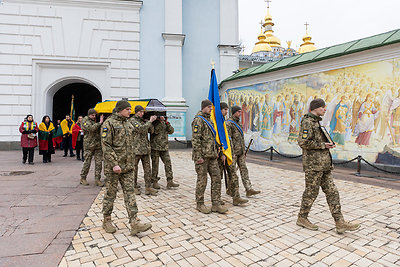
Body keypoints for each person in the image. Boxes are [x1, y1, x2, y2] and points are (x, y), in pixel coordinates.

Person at [297, 98, 360, 234]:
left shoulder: (317, 122)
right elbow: (302, 142)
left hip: (324, 165)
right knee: (311, 192)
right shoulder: (308, 122)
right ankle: (302, 218)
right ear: (316, 108)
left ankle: (340, 222)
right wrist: (322, 145)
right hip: (313, 165)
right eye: (323, 107)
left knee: (332, 192)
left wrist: (327, 144)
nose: (325, 109)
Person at [101, 100, 152, 236]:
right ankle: (106, 220)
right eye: (127, 109)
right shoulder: (109, 123)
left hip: (128, 166)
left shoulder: (128, 123)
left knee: (130, 194)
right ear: (120, 110)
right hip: (114, 167)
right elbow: (106, 145)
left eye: (130, 109)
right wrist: (114, 164)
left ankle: (134, 222)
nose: (130, 111)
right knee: (111, 194)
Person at [192, 99, 228, 214]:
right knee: (202, 180)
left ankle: (216, 203)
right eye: (209, 107)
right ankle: (200, 203)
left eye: (211, 107)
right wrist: (198, 157)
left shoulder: (210, 121)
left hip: (212, 156)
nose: (211, 109)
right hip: (202, 157)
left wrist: (219, 152)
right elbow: (195, 140)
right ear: (203, 107)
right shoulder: (199, 120)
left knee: (217, 178)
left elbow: (213, 139)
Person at [226, 106, 261, 197]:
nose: (240, 113)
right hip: (233, 153)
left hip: (240, 152)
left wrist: (243, 150)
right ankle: (231, 189)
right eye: (238, 112)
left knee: (244, 170)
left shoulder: (239, 123)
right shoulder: (229, 124)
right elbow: (228, 139)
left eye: (240, 111)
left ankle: (248, 189)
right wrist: (231, 153)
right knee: (232, 173)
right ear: (233, 112)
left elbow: (240, 138)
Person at [219, 102, 248, 206]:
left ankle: (236, 197)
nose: (226, 112)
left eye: (227, 109)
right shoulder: (225, 122)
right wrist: (225, 152)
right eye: (224, 109)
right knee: (218, 177)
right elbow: (225, 139)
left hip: (231, 153)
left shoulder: (229, 122)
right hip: (224, 154)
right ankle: (217, 199)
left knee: (234, 175)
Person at [129, 105, 158, 196]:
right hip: (136, 149)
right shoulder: (132, 121)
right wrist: (149, 121)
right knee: (134, 169)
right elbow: (141, 129)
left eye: (143, 112)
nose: (142, 113)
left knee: (147, 169)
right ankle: (133, 187)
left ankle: (148, 187)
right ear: (136, 112)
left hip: (145, 149)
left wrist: (151, 123)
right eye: (140, 112)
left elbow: (151, 131)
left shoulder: (143, 121)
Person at [150, 116, 179, 189]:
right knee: (155, 165)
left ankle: (170, 181)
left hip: (164, 147)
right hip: (155, 147)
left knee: (168, 163)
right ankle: (154, 181)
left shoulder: (165, 123)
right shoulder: (154, 122)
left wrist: (166, 122)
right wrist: (158, 121)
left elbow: (171, 131)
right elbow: (154, 131)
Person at [80, 109, 105, 186]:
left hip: (97, 145)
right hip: (89, 145)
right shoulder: (84, 121)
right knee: (87, 162)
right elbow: (91, 128)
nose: (94, 117)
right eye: (92, 115)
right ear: (89, 115)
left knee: (98, 163)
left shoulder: (95, 121)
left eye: (95, 115)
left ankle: (97, 179)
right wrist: (100, 123)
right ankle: (83, 178)